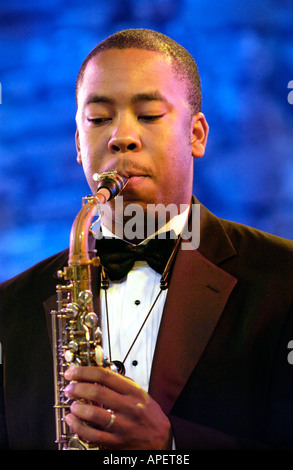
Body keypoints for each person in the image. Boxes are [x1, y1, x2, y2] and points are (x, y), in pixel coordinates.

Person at [0, 28, 293, 451]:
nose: (120, 137)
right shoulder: (9, 310)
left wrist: (171, 445)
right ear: (79, 144)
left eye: (150, 114)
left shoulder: (283, 280)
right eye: (98, 119)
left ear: (197, 135)